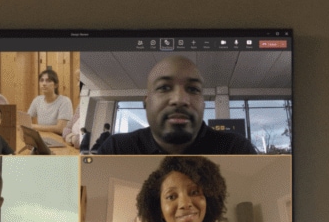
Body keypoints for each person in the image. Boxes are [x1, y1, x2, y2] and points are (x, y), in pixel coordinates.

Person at [99, 56, 256, 155]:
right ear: (146, 102)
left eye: (193, 89)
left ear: (204, 104)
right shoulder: (116, 149)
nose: (180, 99)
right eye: (164, 87)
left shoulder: (235, 149)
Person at [123, 156, 230, 222]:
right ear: (159, 209)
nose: (185, 203)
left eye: (194, 192)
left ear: (208, 200)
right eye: (171, 196)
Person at [25, 67, 76, 152]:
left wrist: (33, 126)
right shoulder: (37, 100)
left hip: (59, 142)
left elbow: (60, 128)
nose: (44, 84)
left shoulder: (65, 101)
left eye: (48, 81)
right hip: (43, 138)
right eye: (42, 80)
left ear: (55, 85)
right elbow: (26, 120)